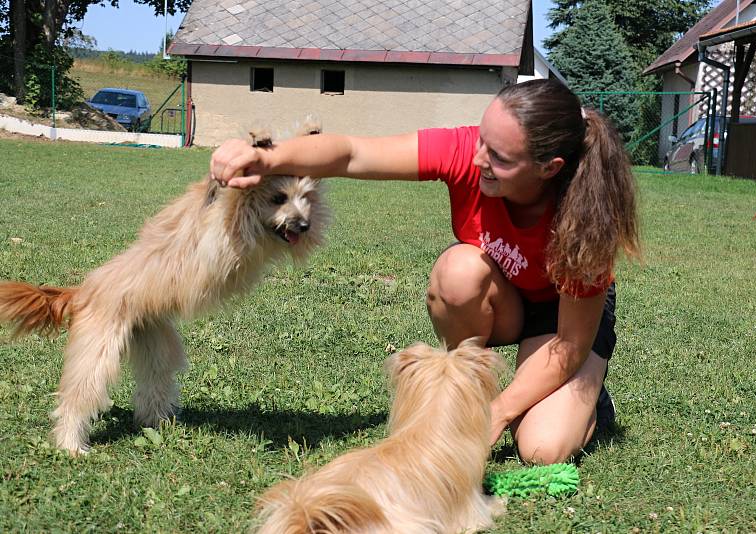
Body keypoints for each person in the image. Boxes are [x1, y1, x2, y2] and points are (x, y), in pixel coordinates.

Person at [210, 79, 640, 464]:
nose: (478, 159)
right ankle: (465, 394)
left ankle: (593, 401)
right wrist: (268, 158)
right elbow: (352, 153)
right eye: (482, 140)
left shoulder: (585, 219)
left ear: (549, 169)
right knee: (458, 271)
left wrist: (500, 413)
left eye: (500, 157)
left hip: (560, 324)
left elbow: (569, 342)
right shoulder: (468, 152)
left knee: (542, 449)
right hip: (502, 295)